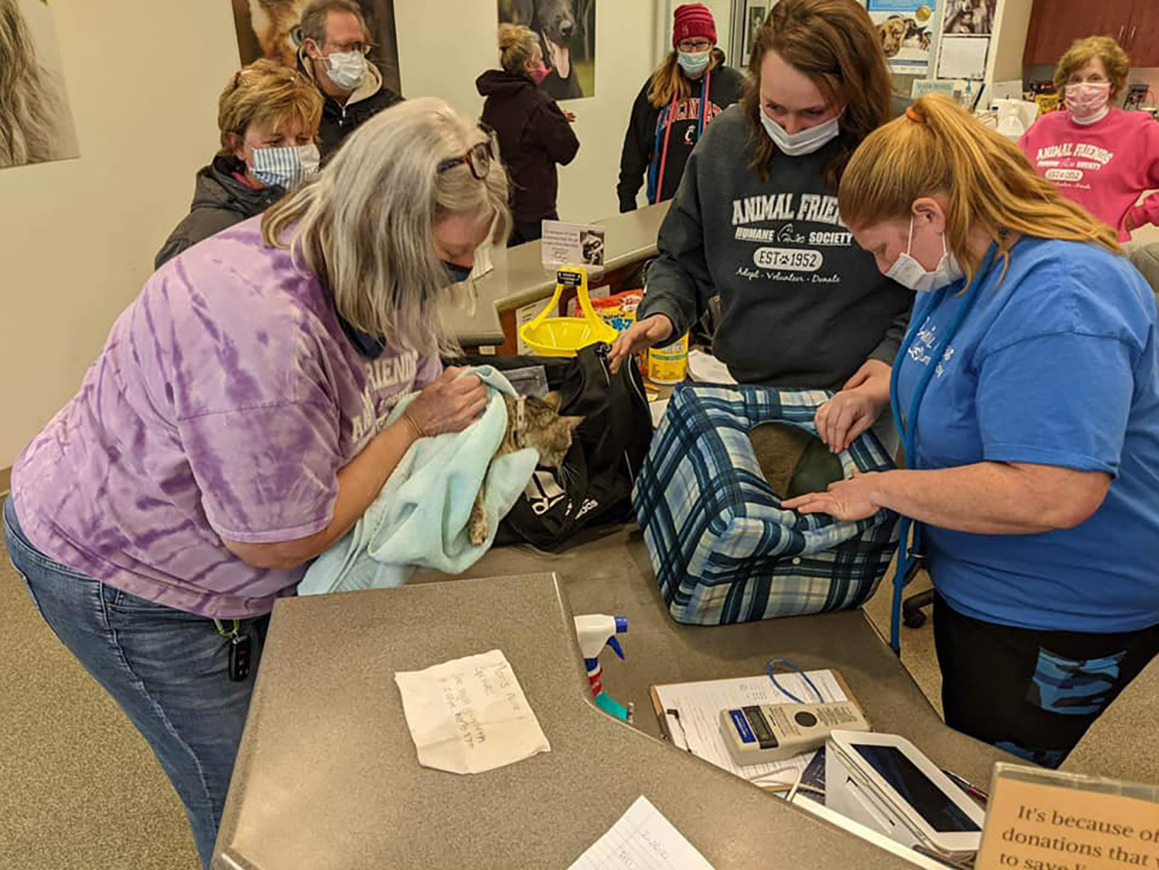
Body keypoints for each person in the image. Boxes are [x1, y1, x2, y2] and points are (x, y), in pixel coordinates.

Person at [4, 98, 510, 867]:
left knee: (306, 749)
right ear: (383, 234)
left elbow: (413, 366)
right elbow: (281, 539)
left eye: (470, 260)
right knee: (247, 797)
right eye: (445, 266)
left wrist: (431, 401)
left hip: (225, 540)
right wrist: (410, 427)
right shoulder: (258, 330)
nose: (457, 279)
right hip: (128, 572)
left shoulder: (356, 253)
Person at [787, 93, 1159, 768]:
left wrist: (883, 488)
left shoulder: (1061, 297)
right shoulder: (961, 268)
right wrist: (880, 391)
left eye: (878, 249)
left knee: (1001, 782)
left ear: (927, 213)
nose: (880, 268)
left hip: (1060, 610)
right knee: (963, 749)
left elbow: (1052, 492)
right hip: (982, 582)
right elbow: (956, 371)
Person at [610, 0, 912, 454]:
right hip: (747, 391)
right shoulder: (727, 140)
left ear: (856, 92)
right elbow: (682, 257)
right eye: (775, 108)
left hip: (864, 399)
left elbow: (950, 282)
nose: (790, 129)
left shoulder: (902, 141)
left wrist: (893, 360)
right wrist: (663, 310)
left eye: (814, 112)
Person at [155, 60, 323, 268]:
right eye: (275, 142)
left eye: (303, 139)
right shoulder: (198, 241)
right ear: (236, 146)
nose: (293, 152)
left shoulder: (316, 214)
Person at [1018, 36, 1159, 242]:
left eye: (1094, 78)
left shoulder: (1139, 131)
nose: (1083, 87)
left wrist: (1138, 216)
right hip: (1038, 243)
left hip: (1097, 249)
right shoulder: (1044, 126)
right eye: (1075, 79)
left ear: (1112, 85)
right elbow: (1010, 175)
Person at [617, 3, 745, 212]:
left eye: (700, 44)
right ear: (677, 46)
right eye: (687, 44)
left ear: (712, 44)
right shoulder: (657, 87)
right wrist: (627, 200)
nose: (694, 51)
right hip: (664, 205)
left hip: (718, 207)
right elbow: (635, 147)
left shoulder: (735, 86)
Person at [478, 23, 579, 246]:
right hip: (537, 213)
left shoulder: (493, 101)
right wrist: (553, 120)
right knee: (549, 274)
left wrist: (553, 118)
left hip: (505, 209)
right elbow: (568, 151)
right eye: (540, 59)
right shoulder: (538, 105)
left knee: (517, 276)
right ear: (528, 65)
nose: (544, 64)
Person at [296, 0, 402, 159]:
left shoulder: (393, 109)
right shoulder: (293, 109)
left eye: (359, 46)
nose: (355, 55)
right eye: (345, 46)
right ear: (312, 49)